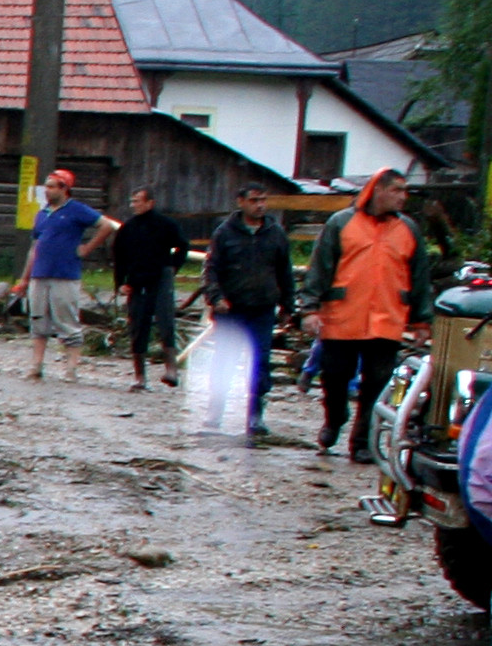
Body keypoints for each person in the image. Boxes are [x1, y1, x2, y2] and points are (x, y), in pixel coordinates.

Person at [302, 168, 437, 460]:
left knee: (376, 384)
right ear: (378, 190)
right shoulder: (342, 223)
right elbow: (320, 268)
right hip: (342, 318)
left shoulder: (408, 229)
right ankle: (335, 417)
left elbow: (420, 277)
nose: (404, 197)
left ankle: (361, 442)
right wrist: (310, 308)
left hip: (387, 320)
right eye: (397, 190)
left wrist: (422, 319)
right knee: (335, 378)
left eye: (405, 191)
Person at [196, 182, 288, 441]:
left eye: (263, 200)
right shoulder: (224, 233)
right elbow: (210, 269)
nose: (260, 205)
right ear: (241, 201)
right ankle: (215, 412)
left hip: (262, 308)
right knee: (224, 361)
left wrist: (289, 307)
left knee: (260, 361)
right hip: (231, 310)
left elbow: (284, 271)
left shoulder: (275, 233)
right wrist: (216, 297)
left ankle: (254, 414)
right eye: (254, 200)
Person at [25, 169, 112, 382]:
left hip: (65, 274)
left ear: (65, 188)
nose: (47, 190)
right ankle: (36, 366)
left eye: (52, 186)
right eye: (46, 186)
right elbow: (34, 246)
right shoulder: (42, 213)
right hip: (40, 274)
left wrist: (87, 248)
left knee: (67, 321)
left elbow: (106, 225)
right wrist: (25, 277)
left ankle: (71, 369)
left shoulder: (76, 210)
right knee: (38, 320)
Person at [110, 186, 187, 391]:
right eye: (132, 201)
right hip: (137, 281)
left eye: (138, 201)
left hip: (161, 277)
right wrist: (121, 283)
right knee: (138, 325)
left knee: (165, 321)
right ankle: (140, 377)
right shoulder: (128, 229)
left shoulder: (166, 224)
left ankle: (171, 369)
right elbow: (119, 257)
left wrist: (172, 267)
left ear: (150, 203)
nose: (134, 205)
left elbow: (182, 246)